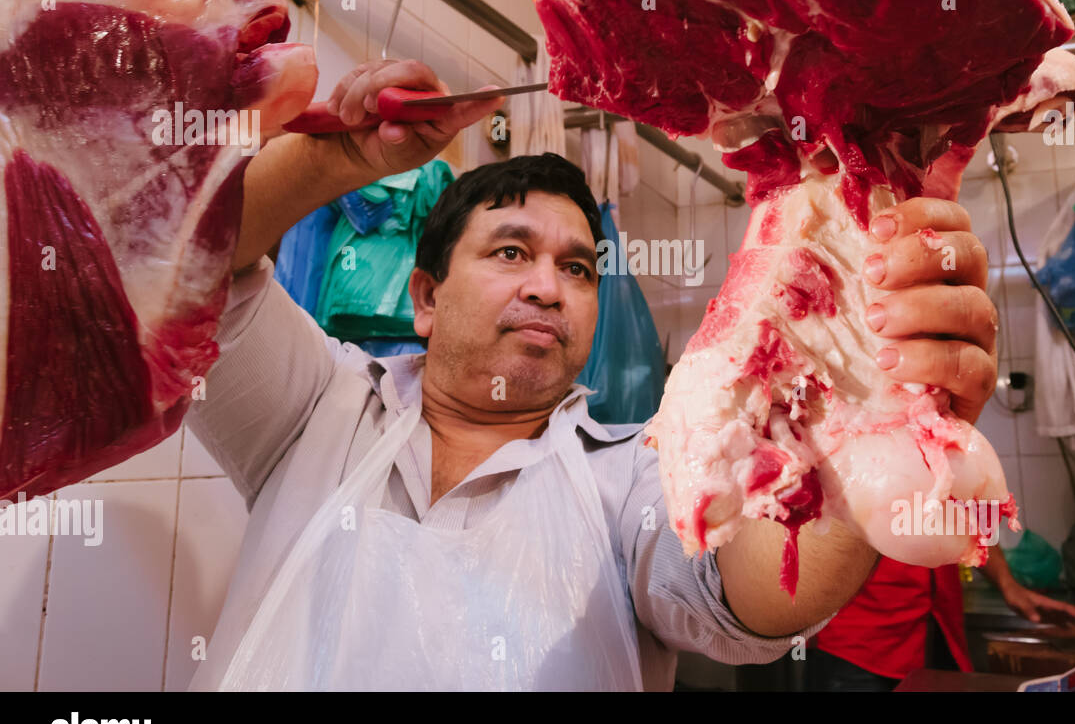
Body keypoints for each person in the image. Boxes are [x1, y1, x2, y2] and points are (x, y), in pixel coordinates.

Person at [185, 58, 1003, 691]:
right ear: (426, 297)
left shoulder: (627, 480)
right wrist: (337, 158)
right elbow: (190, 275)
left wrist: (867, 432)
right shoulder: (316, 408)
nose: (549, 285)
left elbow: (753, 592)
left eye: (577, 268)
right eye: (511, 252)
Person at [809, 547, 1075, 692]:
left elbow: (969, 517)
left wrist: (1008, 584)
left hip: (939, 631)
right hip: (856, 645)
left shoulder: (949, 442)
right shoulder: (846, 438)